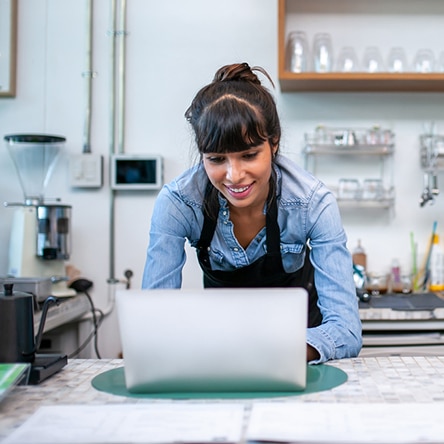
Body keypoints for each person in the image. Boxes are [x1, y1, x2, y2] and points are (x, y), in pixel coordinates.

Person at [142, 62, 362, 363]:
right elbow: (155, 323)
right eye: (217, 158)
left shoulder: (312, 202)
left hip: (298, 357)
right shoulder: (178, 203)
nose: (233, 175)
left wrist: (273, 352)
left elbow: (346, 331)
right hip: (222, 356)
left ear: (273, 145)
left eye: (248, 155)